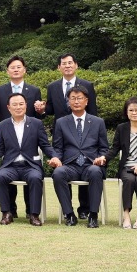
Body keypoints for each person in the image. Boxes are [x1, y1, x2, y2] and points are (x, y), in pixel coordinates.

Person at [36, 53, 98, 220]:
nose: (67, 66)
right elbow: (50, 111)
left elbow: (92, 110)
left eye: (70, 63)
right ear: (59, 67)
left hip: (84, 132)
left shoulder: (87, 85)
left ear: (76, 65)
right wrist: (42, 109)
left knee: (85, 161)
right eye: (64, 63)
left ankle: (84, 209)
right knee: (64, 167)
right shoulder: (53, 86)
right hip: (62, 131)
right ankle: (67, 209)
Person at [0, 93, 60, 227]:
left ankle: (34, 214)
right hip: (10, 165)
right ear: (8, 107)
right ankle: (7, 213)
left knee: (35, 178)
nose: (18, 107)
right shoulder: (3, 125)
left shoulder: (36, 123)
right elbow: (0, 149)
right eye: (14, 104)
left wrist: (54, 157)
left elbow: (45, 145)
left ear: (26, 105)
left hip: (30, 165)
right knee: (0, 178)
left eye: (21, 104)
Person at [0, 55, 44, 217]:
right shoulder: (0, 91)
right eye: (12, 67)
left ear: (24, 70)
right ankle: (10, 212)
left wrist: (40, 111)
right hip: (8, 138)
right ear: (7, 71)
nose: (16, 69)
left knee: (32, 178)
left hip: (29, 140)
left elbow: (38, 119)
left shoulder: (34, 90)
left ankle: (31, 212)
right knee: (5, 177)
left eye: (19, 67)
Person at [96, 97, 137, 229]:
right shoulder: (122, 128)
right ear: (126, 112)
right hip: (127, 167)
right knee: (128, 180)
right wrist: (104, 158)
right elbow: (115, 149)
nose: (134, 113)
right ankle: (126, 215)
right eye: (131, 110)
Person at [51, 85, 109, 228]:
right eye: (73, 98)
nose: (76, 101)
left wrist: (101, 157)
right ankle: (69, 214)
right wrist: (56, 158)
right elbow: (57, 147)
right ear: (68, 102)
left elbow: (104, 147)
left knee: (96, 172)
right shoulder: (61, 122)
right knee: (58, 173)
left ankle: (93, 215)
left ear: (86, 101)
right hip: (70, 165)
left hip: (90, 164)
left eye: (79, 98)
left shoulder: (98, 122)